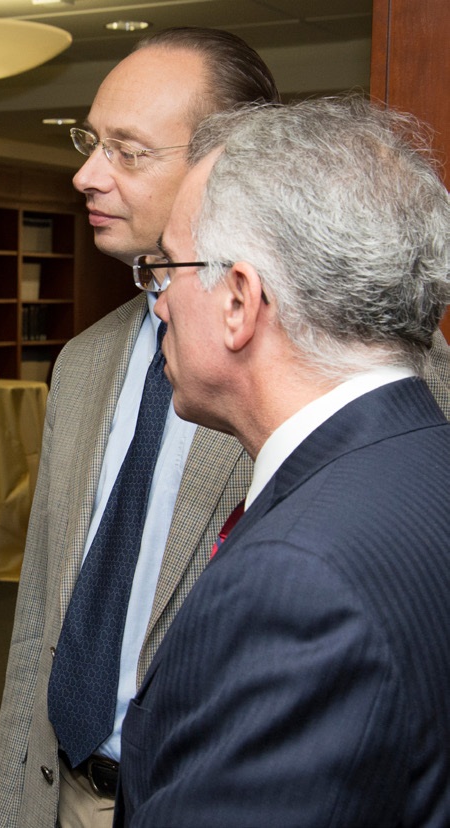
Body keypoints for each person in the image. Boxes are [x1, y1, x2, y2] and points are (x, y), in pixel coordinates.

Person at [0, 28, 450, 828]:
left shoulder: (363, 366)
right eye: (90, 143)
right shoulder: (85, 361)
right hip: (62, 788)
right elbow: (42, 626)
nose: (86, 174)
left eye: (127, 150)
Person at [119, 95, 450, 825]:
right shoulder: (424, 459)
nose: (159, 304)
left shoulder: (296, 580)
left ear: (240, 300)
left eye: (167, 269)